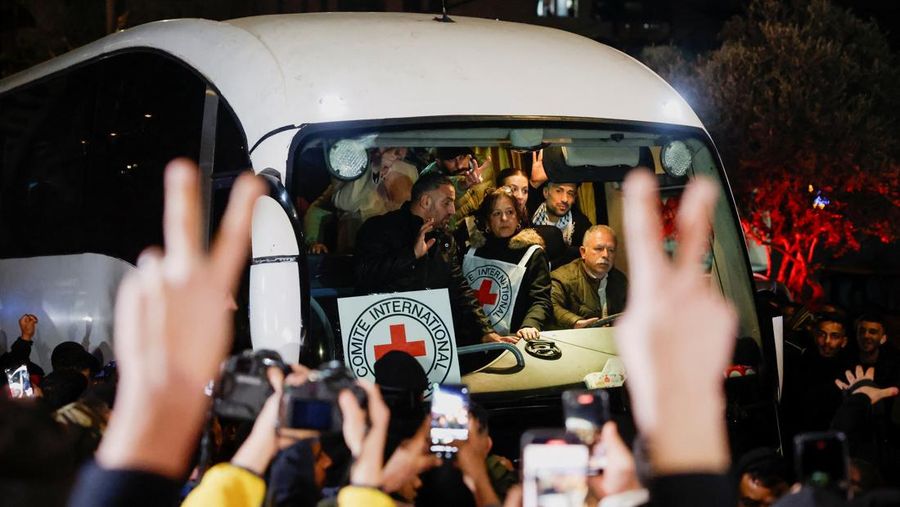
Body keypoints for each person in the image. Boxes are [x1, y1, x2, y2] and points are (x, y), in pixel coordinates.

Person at [354, 172, 506, 346]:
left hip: (433, 337)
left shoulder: (445, 238)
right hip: (385, 333)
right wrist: (410, 256)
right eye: (447, 202)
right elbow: (364, 274)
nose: (453, 210)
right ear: (425, 201)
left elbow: (458, 286)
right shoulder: (379, 228)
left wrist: (484, 330)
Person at [462, 187, 552, 340]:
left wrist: (530, 324)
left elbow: (541, 299)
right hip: (474, 338)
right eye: (496, 213)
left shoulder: (532, 253)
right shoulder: (472, 251)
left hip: (513, 340)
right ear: (487, 221)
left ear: (518, 217)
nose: (504, 218)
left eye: (510, 212)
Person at [306, 146, 417, 254]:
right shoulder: (352, 170)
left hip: (396, 256)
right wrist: (313, 242)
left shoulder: (410, 170)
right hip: (353, 256)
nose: (400, 152)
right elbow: (318, 210)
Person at [550, 225, 628, 329]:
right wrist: (575, 321)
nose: (606, 255)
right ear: (583, 252)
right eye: (599, 249)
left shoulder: (620, 280)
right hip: (576, 340)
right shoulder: (561, 278)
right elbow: (551, 306)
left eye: (611, 250)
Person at [531, 180, 591, 257]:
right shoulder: (529, 216)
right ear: (546, 192)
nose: (565, 199)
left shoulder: (582, 226)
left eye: (570, 193)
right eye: (559, 191)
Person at [853, 313, 899, 387]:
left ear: (883, 339)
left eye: (873, 332)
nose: (866, 336)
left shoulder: (893, 366)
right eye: (862, 331)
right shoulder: (844, 361)